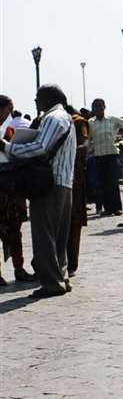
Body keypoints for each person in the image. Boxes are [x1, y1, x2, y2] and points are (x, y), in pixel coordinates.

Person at [2, 85, 77, 299]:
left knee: (44, 236)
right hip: (63, 181)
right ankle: (61, 278)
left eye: (38, 97)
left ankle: (52, 283)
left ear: (48, 98)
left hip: (48, 183)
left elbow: (40, 148)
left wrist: (8, 147)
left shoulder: (53, 118)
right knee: (59, 236)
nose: (35, 101)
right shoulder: (66, 118)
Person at [0, 96, 34, 288]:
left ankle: (19, 268)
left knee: (15, 228)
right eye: (8, 109)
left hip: (12, 184)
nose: (9, 113)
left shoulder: (10, 130)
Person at [87, 98, 123, 217]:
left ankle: (117, 208)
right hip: (99, 155)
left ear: (104, 107)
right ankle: (108, 208)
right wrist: (88, 149)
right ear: (93, 109)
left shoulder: (112, 119)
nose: (98, 108)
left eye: (100, 106)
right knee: (102, 183)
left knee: (113, 182)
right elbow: (88, 139)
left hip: (111, 154)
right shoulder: (90, 122)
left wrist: (122, 139)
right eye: (95, 106)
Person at [65, 105, 89, 275]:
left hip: (73, 179)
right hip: (69, 178)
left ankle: (71, 264)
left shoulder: (78, 122)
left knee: (72, 222)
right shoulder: (43, 121)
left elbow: (84, 147)